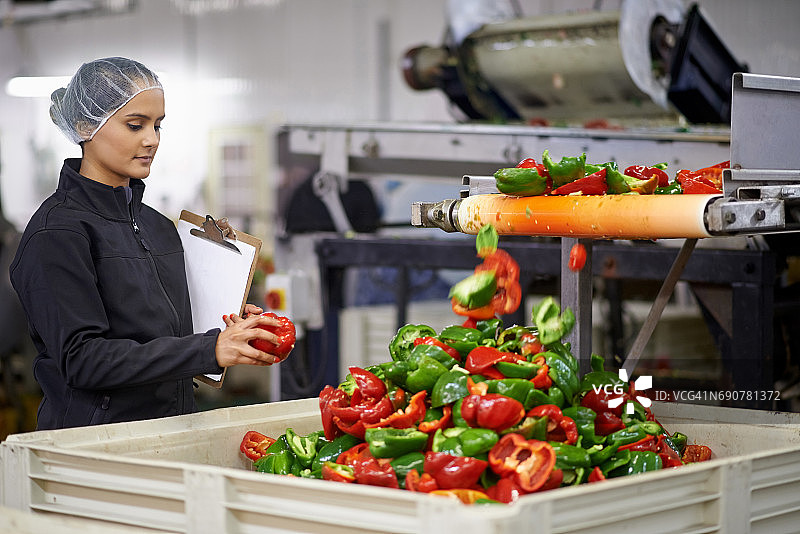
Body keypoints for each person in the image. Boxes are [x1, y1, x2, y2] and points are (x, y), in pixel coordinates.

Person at [9, 57, 283, 430]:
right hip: (94, 446)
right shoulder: (57, 233)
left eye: (158, 125)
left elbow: (167, 334)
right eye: (135, 125)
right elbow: (83, 360)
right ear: (86, 125)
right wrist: (210, 349)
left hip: (170, 430)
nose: (151, 139)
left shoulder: (158, 226)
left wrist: (230, 324)